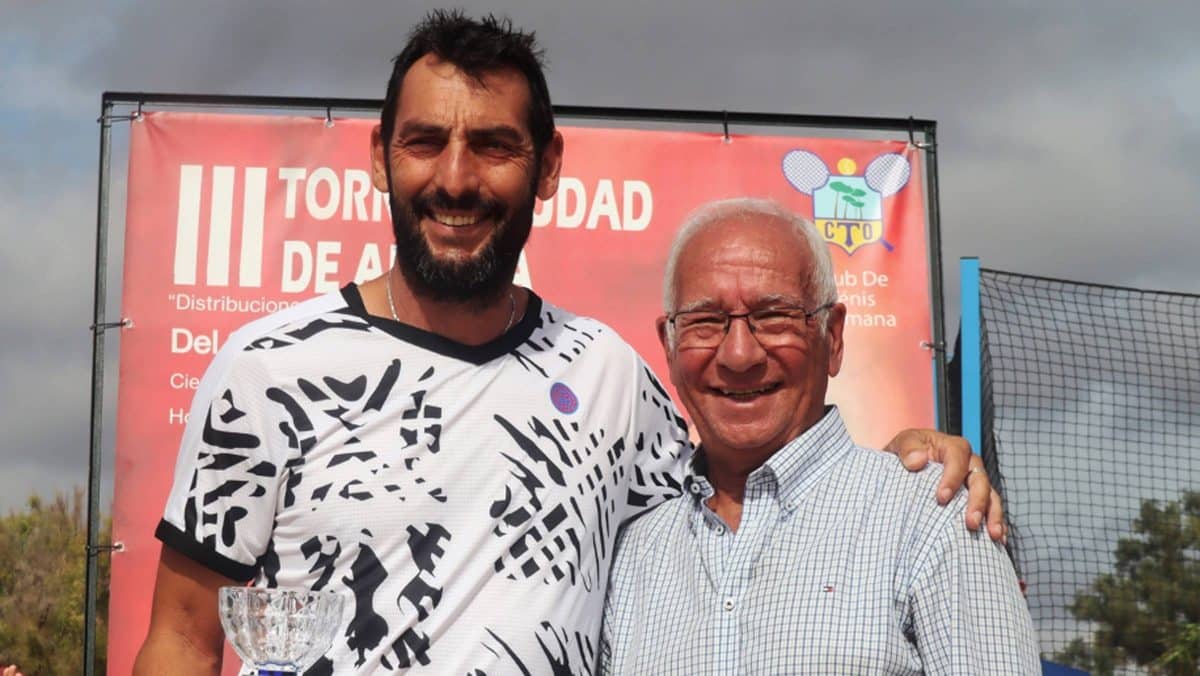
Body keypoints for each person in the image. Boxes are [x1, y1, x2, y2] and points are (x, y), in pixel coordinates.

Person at [135, 11, 1002, 675]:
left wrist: (906, 460)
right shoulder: (267, 370)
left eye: (495, 147)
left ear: (548, 167)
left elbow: (751, 481)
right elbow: (180, 634)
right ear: (379, 157)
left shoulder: (607, 377)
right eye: (426, 142)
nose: (456, 179)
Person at [600, 198, 1038, 674]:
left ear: (833, 338)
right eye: (706, 321)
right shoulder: (628, 556)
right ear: (669, 343)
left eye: (773, 316)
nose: (739, 354)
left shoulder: (931, 520)